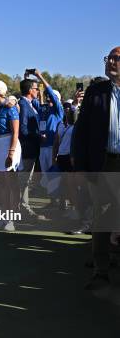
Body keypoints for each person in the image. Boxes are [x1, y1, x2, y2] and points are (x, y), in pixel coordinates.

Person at [72, 46, 120, 290]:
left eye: (116, 58)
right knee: (102, 215)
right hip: (103, 162)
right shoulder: (96, 92)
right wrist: (80, 166)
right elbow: (80, 132)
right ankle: (101, 271)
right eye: (109, 58)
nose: (111, 62)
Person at [17, 69, 54, 219]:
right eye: (36, 88)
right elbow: (24, 129)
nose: (38, 91)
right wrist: (39, 136)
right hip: (27, 149)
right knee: (23, 180)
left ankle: (22, 207)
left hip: (31, 149)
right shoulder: (24, 105)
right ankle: (23, 209)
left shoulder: (30, 104)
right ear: (29, 90)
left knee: (25, 180)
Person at [0, 80, 22, 231]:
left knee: (10, 184)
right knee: (1, 184)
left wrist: (11, 152)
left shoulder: (10, 108)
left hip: (9, 144)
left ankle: (12, 219)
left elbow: (15, 132)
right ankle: (3, 217)